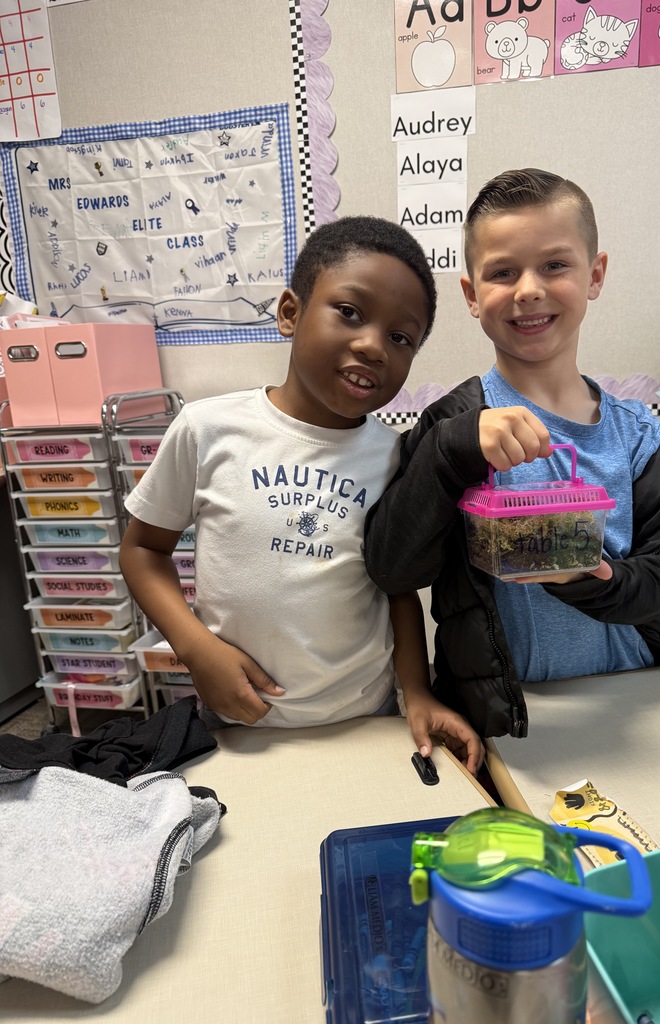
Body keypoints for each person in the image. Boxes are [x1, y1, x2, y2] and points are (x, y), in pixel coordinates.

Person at [364, 169, 660, 740]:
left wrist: (596, 576)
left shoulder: (636, 434)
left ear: (596, 275)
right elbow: (393, 565)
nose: (529, 290)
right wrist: (455, 449)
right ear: (471, 295)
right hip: (501, 713)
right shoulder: (451, 426)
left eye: (555, 265)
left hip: (624, 701)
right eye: (502, 273)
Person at [119, 216, 483, 774]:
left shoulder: (394, 457)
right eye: (350, 312)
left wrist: (418, 693)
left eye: (400, 337)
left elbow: (399, 592)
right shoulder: (206, 428)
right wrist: (196, 650)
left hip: (366, 719)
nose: (373, 346)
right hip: (242, 724)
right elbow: (143, 551)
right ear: (291, 312)